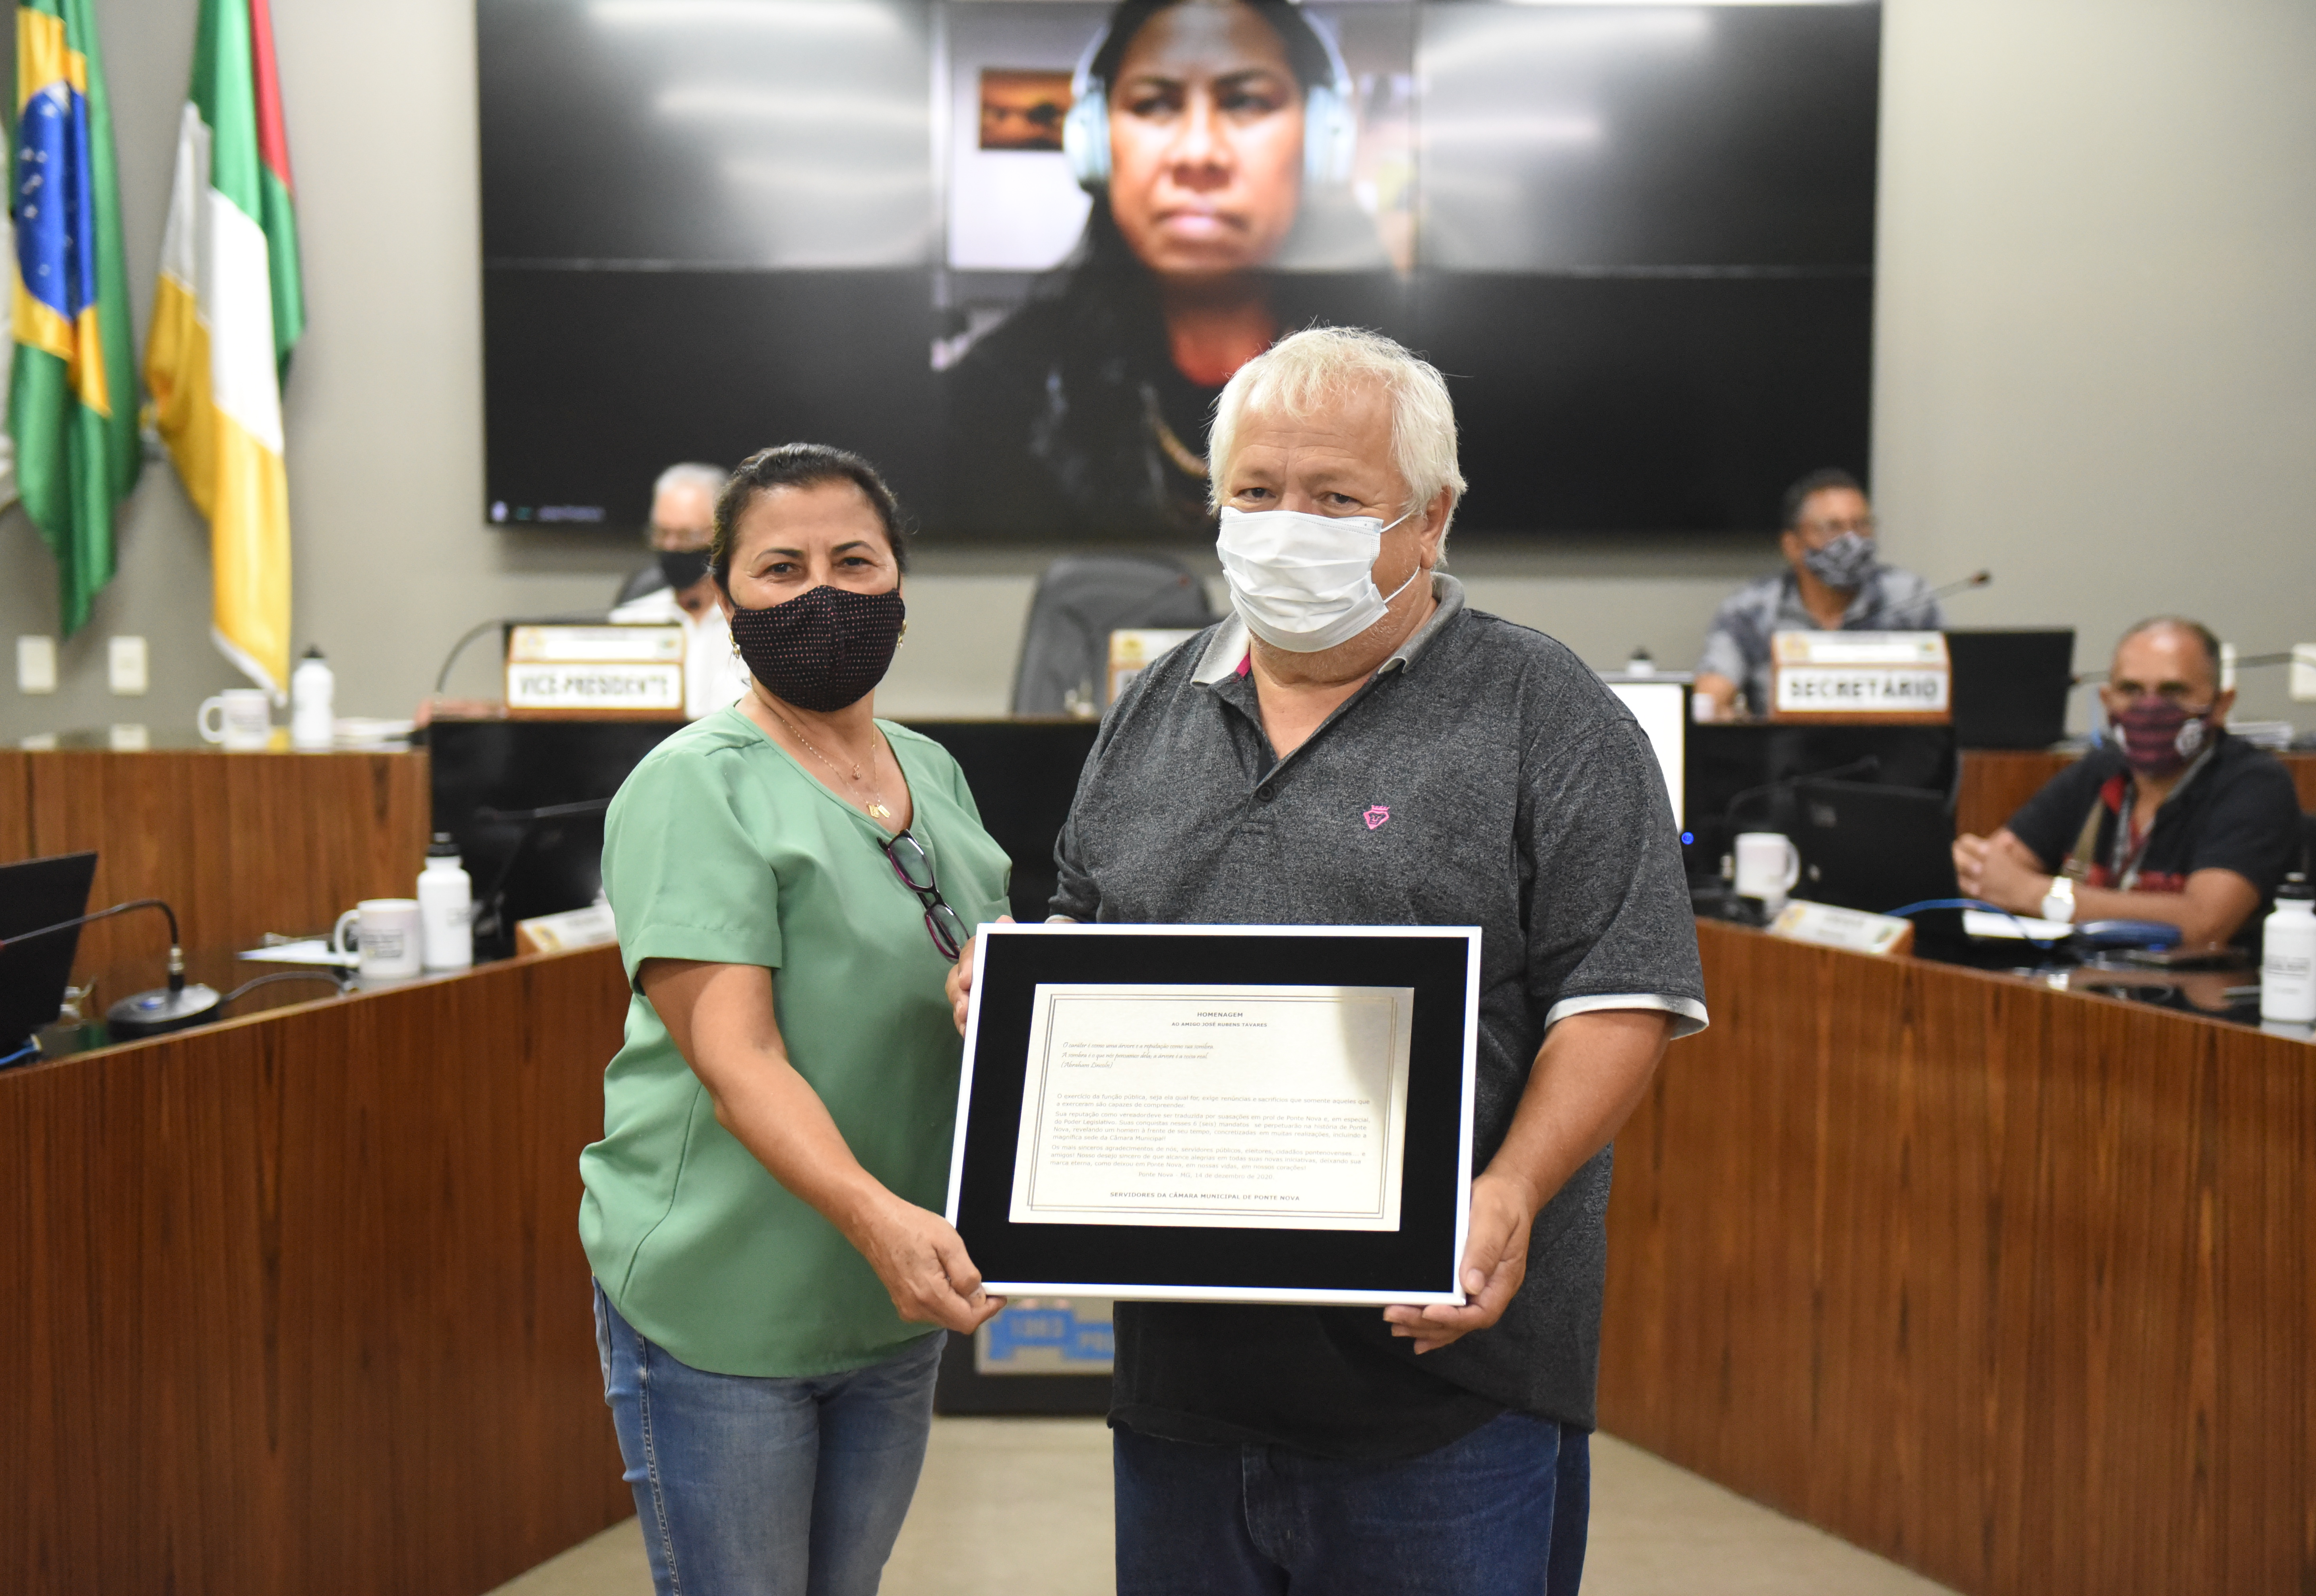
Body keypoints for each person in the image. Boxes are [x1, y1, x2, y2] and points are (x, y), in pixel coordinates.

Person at [950, 327, 1706, 1592]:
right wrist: (1032, 990)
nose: (1282, 525)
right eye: (1253, 493)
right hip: (1184, 1383)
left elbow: (1618, 994)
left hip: (1445, 1388)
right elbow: (1087, 911)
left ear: (1431, 519)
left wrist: (1511, 1188)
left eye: (1335, 498)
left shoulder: (1545, 710)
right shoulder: (1155, 701)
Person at [582, 444, 1012, 1595]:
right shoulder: (693, 785)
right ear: (728, 603)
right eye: (780, 567)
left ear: (901, 594)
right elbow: (740, 1059)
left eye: (854, 560)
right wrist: (881, 1223)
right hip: (727, 1300)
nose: (823, 592)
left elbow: (988, 986)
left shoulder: (935, 774)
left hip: (888, 1301)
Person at [946, 0, 1390, 540]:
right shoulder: (994, 393)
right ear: (1095, 143)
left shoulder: (1410, 391)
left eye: (1246, 101)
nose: (1198, 154)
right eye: (1155, 104)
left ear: (1323, 143)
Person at [1954, 616, 2302, 951]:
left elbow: (2203, 925)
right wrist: (1974, 868)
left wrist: (2037, 895)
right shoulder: (2101, 771)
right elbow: (1993, 870)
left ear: (2221, 705)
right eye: (2131, 690)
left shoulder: (2253, 785)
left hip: (2193, 1002)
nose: (2149, 708)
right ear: (2107, 702)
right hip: (2091, 990)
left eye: (2173, 691)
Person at [1693, 468, 1941, 719]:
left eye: (1861, 526)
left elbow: (1952, 694)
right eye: (1832, 528)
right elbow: (1709, 701)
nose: (1851, 540)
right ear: (1793, 545)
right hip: (1785, 754)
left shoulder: (1910, 598)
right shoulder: (1751, 610)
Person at [611, 461, 752, 718]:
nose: (672, 546)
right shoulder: (630, 620)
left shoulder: (754, 621)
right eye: (662, 533)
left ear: (723, 535)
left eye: (688, 536)